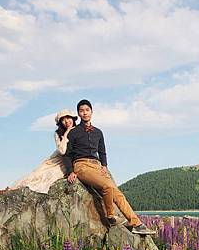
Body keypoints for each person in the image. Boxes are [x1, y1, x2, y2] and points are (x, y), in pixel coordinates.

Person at [65, 99, 155, 235]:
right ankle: (111, 216)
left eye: (87, 110)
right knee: (107, 186)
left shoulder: (98, 132)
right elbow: (67, 154)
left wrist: (104, 166)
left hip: (96, 166)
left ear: (91, 112)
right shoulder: (73, 132)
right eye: (81, 111)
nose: (85, 113)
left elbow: (102, 151)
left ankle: (137, 224)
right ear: (78, 113)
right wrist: (70, 171)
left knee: (118, 194)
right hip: (81, 165)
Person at [8, 109, 77, 194]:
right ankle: (10, 190)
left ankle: (14, 191)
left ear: (72, 118)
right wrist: (66, 133)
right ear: (60, 123)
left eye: (68, 118)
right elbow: (62, 151)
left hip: (66, 161)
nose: (66, 121)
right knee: (36, 174)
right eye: (63, 119)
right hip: (56, 159)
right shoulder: (58, 133)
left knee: (48, 177)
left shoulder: (78, 130)